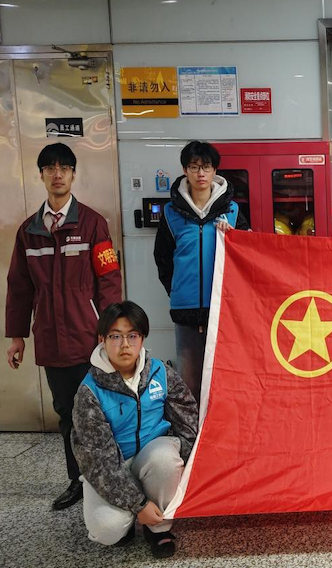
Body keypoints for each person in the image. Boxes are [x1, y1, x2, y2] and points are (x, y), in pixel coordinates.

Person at [5, 142, 122, 511]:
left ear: (73, 175)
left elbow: (109, 281)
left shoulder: (92, 223)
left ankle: (110, 478)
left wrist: (111, 332)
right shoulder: (28, 231)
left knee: (100, 413)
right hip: (51, 340)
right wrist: (17, 336)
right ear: (41, 175)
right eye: (50, 168)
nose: (57, 174)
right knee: (67, 415)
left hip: (90, 338)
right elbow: (19, 287)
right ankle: (79, 481)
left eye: (64, 168)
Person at [71, 301, 198, 558]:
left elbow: (188, 419)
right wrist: (138, 505)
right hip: (113, 465)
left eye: (132, 336)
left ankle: (158, 527)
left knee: (165, 459)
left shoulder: (160, 372)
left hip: (153, 456)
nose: (125, 345)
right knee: (108, 529)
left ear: (142, 339)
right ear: (102, 339)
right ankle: (128, 519)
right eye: (115, 336)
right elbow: (98, 461)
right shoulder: (89, 391)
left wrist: (184, 457)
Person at [153, 141, 249, 404]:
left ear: (214, 170)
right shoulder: (171, 213)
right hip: (185, 312)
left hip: (223, 310)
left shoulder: (232, 211)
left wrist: (235, 238)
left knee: (225, 379)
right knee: (189, 383)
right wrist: (177, 290)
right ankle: (192, 430)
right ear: (185, 170)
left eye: (206, 167)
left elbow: (249, 255)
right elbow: (163, 259)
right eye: (194, 167)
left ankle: (220, 429)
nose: (200, 173)